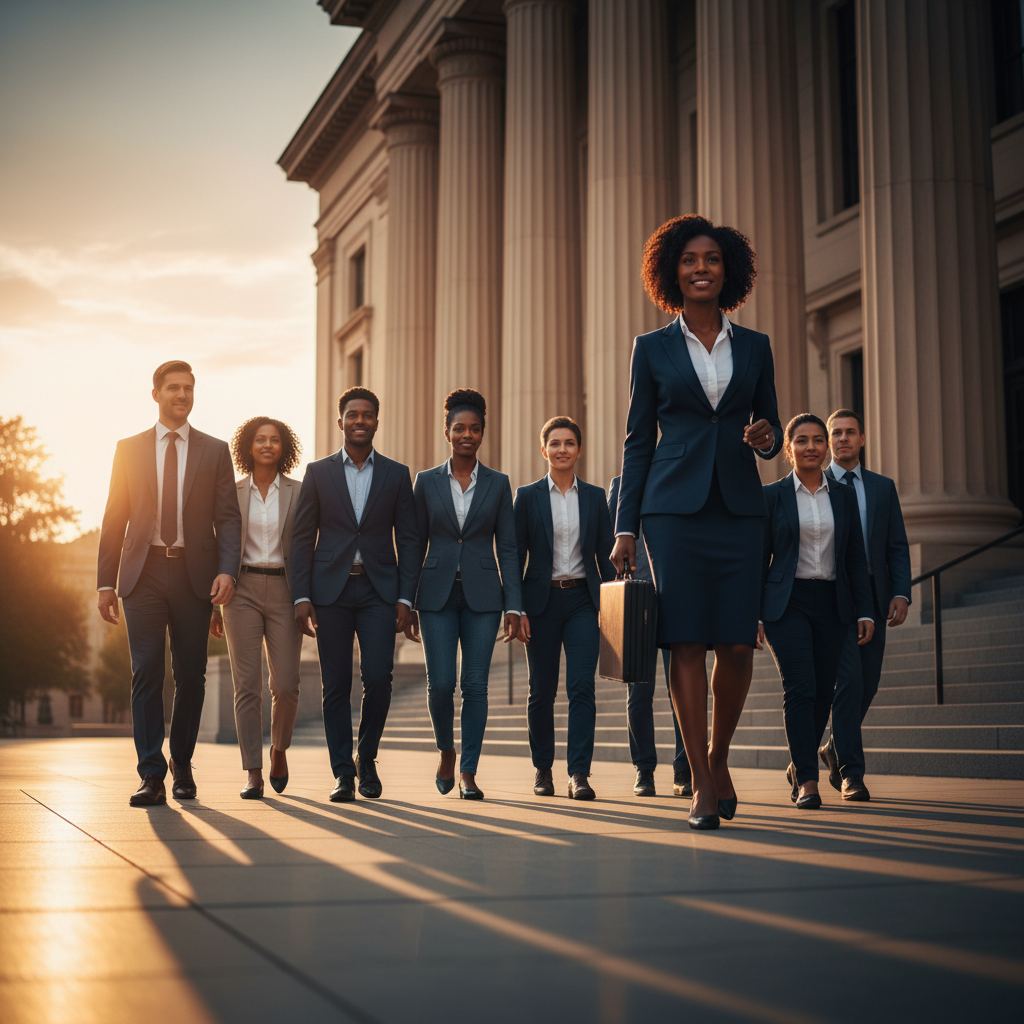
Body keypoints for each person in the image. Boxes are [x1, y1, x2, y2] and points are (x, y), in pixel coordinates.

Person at [610, 215, 783, 831]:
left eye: (711, 258)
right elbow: (637, 442)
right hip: (672, 508)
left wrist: (766, 441)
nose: (701, 267)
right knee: (685, 640)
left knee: (737, 642)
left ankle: (716, 756)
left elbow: (772, 431)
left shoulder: (756, 345)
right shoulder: (651, 348)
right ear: (671, 272)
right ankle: (703, 786)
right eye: (689, 259)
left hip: (739, 506)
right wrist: (624, 527)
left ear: (727, 269)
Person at [97, 360, 241, 806]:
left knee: (191, 675)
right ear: (156, 393)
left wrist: (227, 569)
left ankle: (182, 763)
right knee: (146, 671)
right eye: (174, 388)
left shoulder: (215, 450)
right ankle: (151, 774)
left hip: (194, 574)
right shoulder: (129, 448)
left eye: (189, 388)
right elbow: (114, 515)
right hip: (142, 572)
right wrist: (105, 582)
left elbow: (228, 517)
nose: (182, 395)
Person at [290, 387, 419, 803]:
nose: (359, 421)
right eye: (352, 415)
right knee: (335, 685)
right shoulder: (318, 472)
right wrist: (300, 595)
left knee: (379, 678)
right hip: (330, 590)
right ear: (340, 421)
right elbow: (302, 537)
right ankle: (343, 773)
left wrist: (405, 598)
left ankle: (367, 757)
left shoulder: (397, 474)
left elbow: (411, 540)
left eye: (367, 415)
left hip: (379, 590)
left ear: (377, 422)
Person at [409, 389, 521, 801]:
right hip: (435, 595)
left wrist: (514, 603)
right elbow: (414, 544)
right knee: (440, 684)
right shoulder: (425, 482)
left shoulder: (498, 484)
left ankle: (469, 771)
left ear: (482, 434)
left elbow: (507, 547)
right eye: (459, 428)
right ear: (447, 432)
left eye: (474, 429)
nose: (466, 435)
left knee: (475, 686)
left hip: (484, 598)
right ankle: (446, 750)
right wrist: (406, 601)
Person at [759, 414, 875, 809]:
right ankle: (808, 780)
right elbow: (759, 559)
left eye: (818, 440)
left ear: (826, 448)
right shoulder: (772, 496)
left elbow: (855, 558)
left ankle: (799, 762)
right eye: (802, 440)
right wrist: (753, 614)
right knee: (801, 688)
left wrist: (865, 611)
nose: (812, 447)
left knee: (826, 692)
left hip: (833, 604)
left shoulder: (841, 495)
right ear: (788, 449)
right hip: (786, 604)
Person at [514, 417, 615, 800]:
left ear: (579, 449)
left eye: (569, 442)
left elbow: (605, 556)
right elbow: (515, 556)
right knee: (540, 690)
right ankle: (543, 769)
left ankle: (579, 774)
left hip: (582, 603)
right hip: (540, 603)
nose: (562, 449)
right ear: (544, 451)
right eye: (554, 443)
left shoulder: (593, 497)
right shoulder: (526, 497)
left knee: (580, 688)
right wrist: (517, 608)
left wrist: (612, 605)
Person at [209, 418, 303, 800]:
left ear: (284, 447)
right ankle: (253, 771)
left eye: (275, 440)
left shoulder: (299, 491)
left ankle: (279, 749)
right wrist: (215, 605)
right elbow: (219, 547)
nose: (267, 445)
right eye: (260, 439)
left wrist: (307, 597)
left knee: (286, 685)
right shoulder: (231, 492)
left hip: (286, 588)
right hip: (240, 590)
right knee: (246, 686)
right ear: (248, 446)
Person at [821, 409, 911, 801]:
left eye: (850, 432)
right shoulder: (816, 484)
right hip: (834, 598)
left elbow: (896, 545)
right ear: (828, 441)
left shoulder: (881, 487)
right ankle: (851, 773)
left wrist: (901, 592)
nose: (843, 438)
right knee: (849, 682)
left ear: (862, 439)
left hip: (875, 595)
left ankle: (831, 748)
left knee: (868, 685)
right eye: (836, 433)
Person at [608, 475, 691, 799]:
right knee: (639, 693)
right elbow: (609, 543)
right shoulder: (621, 486)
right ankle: (644, 769)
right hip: (635, 599)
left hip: (679, 595)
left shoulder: (683, 480)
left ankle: (685, 770)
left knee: (684, 689)